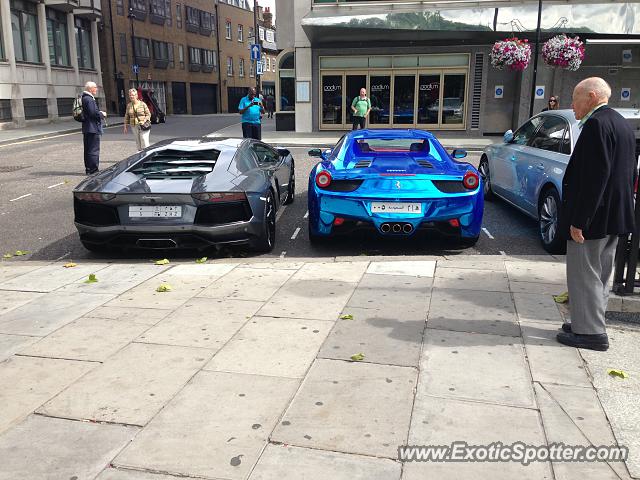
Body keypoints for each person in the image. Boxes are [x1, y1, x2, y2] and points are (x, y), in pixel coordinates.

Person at [557, 77, 637, 351]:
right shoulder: (620, 123)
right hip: (615, 215)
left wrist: (580, 220)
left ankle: (590, 333)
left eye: (575, 98)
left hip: (594, 217)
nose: (572, 104)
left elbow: (595, 179)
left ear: (591, 96)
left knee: (584, 274)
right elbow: (629, 172)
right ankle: (588, 321)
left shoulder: (596, 125)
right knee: (601, 273)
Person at [81, 81, 105, 175]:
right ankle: (94, 170)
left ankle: (88, 169)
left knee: (87, 149)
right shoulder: (89, 99)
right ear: (90, 89)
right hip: (92, 128)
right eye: (95, 87)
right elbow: (93, 113)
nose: (96, 89)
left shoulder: (84, 98)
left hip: (87, 128)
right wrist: (102, 114)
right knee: (93, 150)